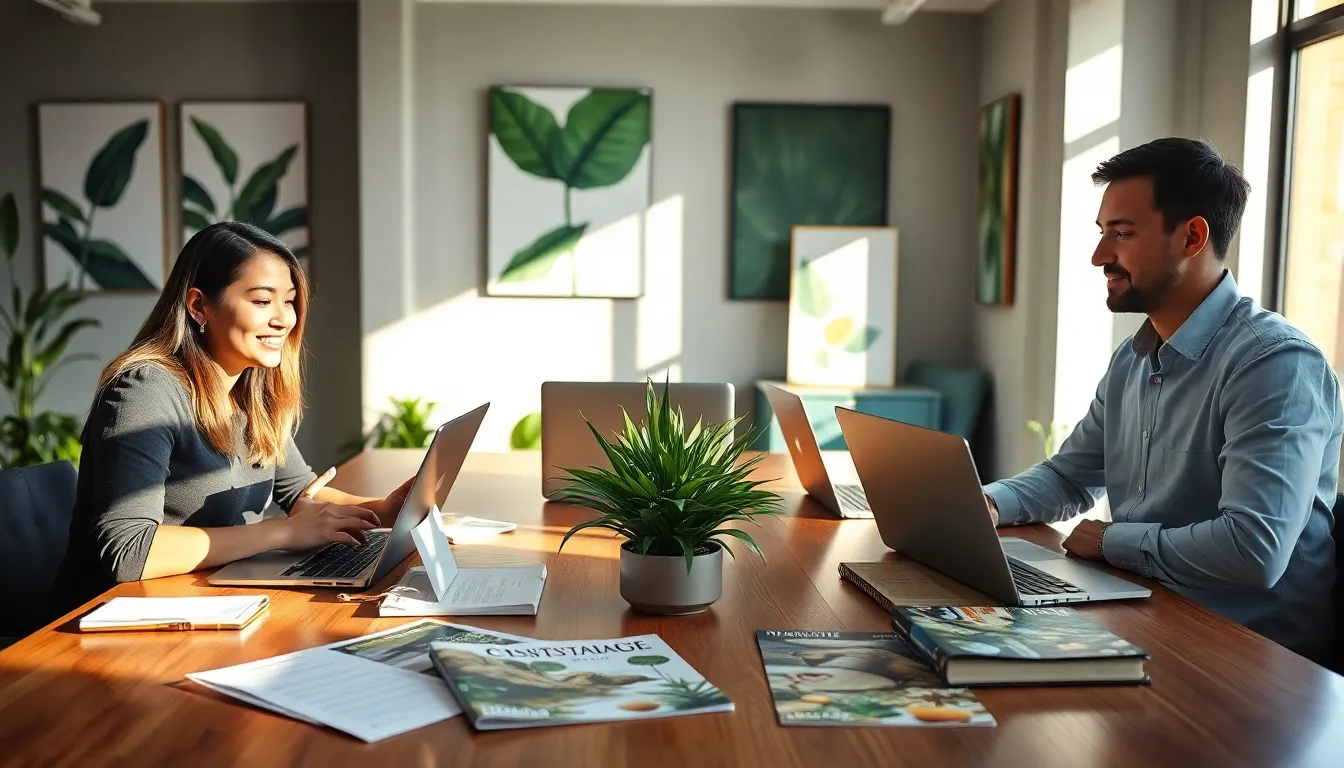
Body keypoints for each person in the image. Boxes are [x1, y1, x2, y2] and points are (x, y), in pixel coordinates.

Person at [983, 137, 1341, 663]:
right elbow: (1070, 477)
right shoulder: (1133, 358)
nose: (1099, 256)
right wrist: (986, 505)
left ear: (1193, 236)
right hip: (1147, 619)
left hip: (1252, 662)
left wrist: (1111, 542)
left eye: (1122, 234)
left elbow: (1253, 550)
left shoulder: (1274, 365)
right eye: (1103, 233)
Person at [52, 222, 413, 612]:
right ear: (198, 306)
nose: (284, 319)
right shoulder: (145, 390)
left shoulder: (250, 389)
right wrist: (282, 533)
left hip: (203, 600)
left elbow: (300, 491)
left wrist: (384, 510)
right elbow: (129, 550)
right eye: (262, 301)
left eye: (289, 300)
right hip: (109, 623)